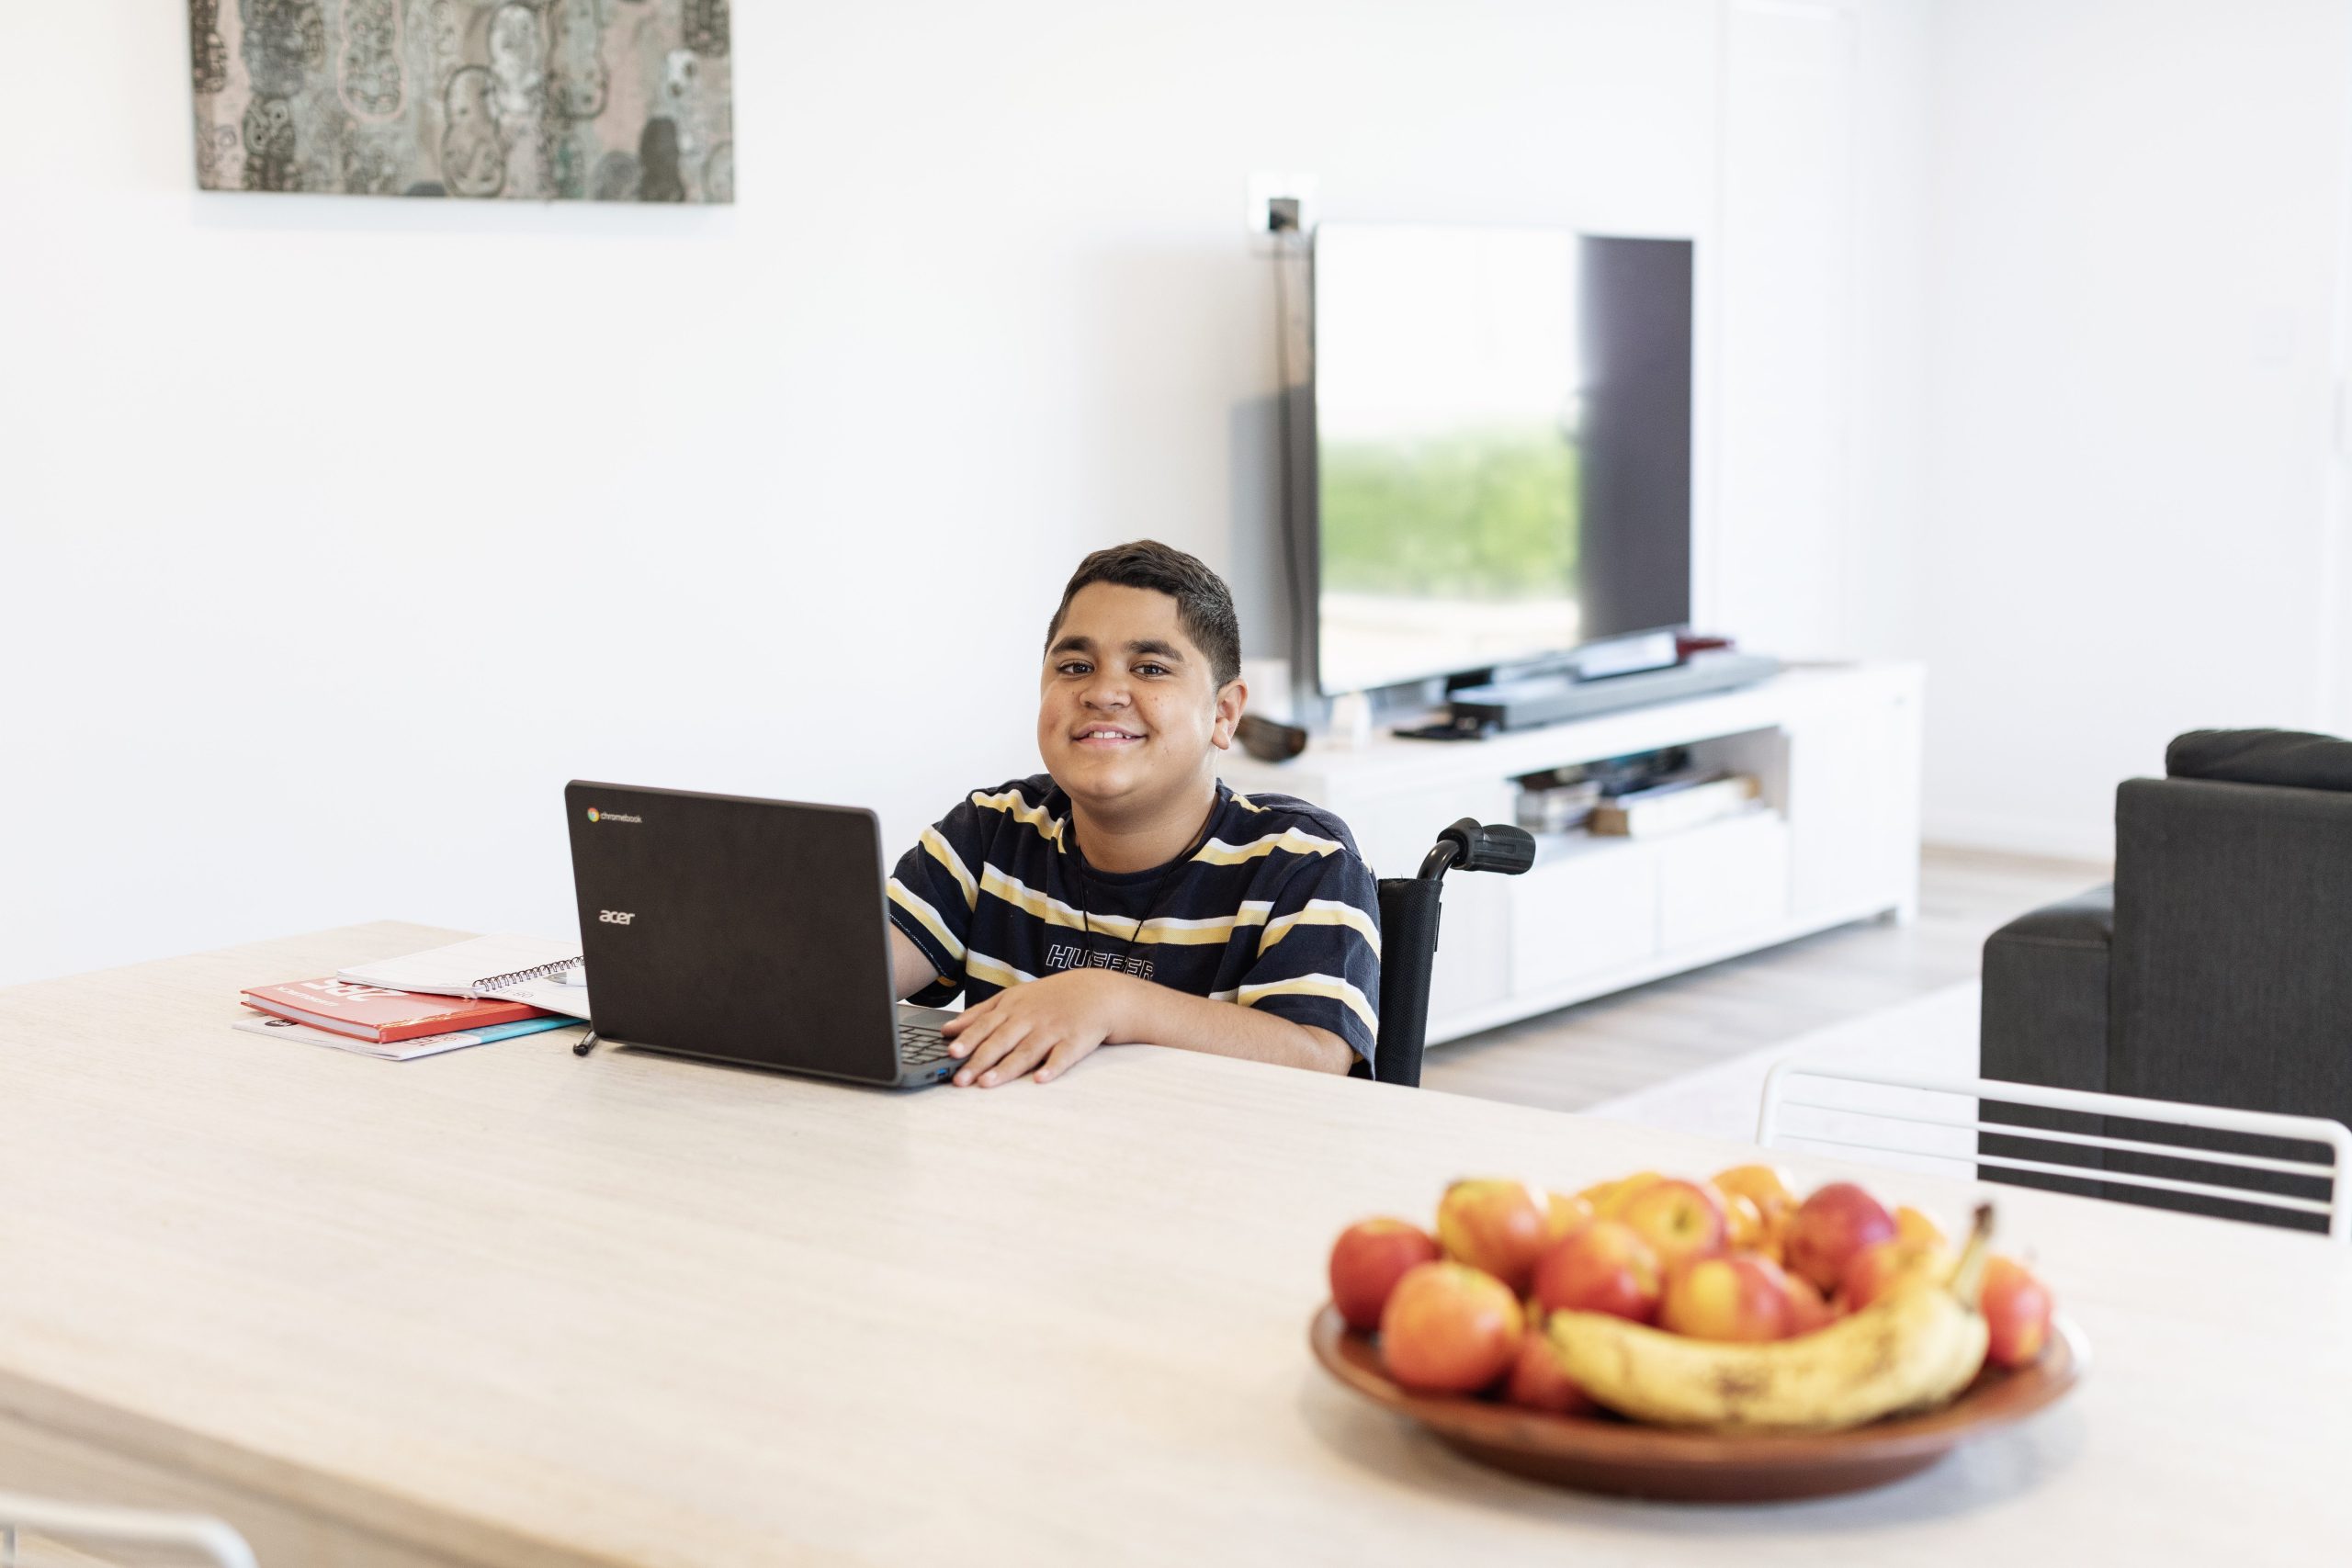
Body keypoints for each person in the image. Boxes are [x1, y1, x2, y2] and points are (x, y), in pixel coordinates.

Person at [886, 540, 1381, 1088]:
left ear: (1223, 712)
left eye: (1149, 668)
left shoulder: (1302, 861)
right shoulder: (990, 830)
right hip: (1020, 1156)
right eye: (1075, 666)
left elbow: (1316, 1055)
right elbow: (851, 976)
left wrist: (1112, 1001)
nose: (1103, 693)